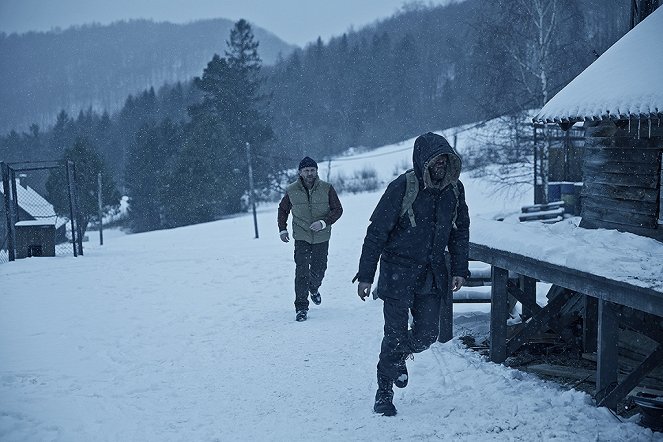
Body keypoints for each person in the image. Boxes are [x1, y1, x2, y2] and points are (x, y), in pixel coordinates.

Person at [354, 132, 470, 416]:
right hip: (398, 272)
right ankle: (384, 391)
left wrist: (459, 268)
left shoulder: (455, 190)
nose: (441, 164)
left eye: (445, 159)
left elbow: (461, 230)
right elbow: (376, 232)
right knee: (393, 334)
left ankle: (396, 358)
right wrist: (366, 275)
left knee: (428, 334)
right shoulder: (402, 187)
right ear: (423, 161)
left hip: (431, 273)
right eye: (436, 160)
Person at [278, 156, 343, 322]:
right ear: (300, 172)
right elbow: (283, 209)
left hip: (322, 235)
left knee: (319, 269)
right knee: (301, 271)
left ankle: (313, 288)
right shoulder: (292, 190)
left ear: (316, 171)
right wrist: (282, 229)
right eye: (306, 170)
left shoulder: (327, 188)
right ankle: (301, 308)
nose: (309, 173)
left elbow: (338, 209)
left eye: (312, 170)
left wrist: (323, 222)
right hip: (301, 235)